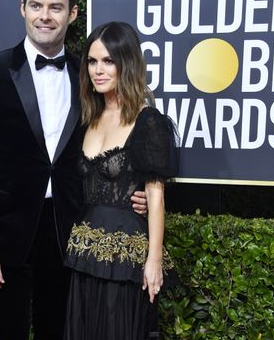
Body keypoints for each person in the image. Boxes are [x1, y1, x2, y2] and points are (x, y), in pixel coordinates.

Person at [0, 0, 147, 340]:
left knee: (60, 329)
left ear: (72, 13)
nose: (45, 16)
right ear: (22, 8)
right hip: (7, 234)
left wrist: (135, 193)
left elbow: (112, 142)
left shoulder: (87, 74)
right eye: (37, 5)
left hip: (68, 230)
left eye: (55, 7)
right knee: (7, 330)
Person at [63, 21, 179, 340]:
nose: (98, 70)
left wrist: (154, 261)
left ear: (125, 64)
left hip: (125, 258)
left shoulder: (148, 120)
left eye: (108, 61)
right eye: (92, 61)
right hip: (84, 255)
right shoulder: (87, 117)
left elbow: (155, 197)